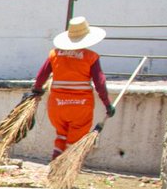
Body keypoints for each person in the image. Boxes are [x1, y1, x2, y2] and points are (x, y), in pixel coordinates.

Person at [30, 16, 113, 160]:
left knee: (61, 135)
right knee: (74, 141)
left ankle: (55, 167)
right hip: (80, 107)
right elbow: (100, 83)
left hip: (57, 106)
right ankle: (65, 171)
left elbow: (41, 76)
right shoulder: (91, 57)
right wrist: (107, 104)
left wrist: (36, 91)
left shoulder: (54, 54)